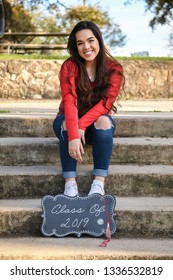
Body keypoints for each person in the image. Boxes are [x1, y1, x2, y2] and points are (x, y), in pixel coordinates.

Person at [53, 20, 124, 197]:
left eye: (90, 40)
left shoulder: (114, 69)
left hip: (94, 127)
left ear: (99, 40)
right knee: (67, 125)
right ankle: (70, 184)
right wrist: (74, 133)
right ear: (75, 47)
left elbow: (106, 104)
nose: (86, 46)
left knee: (104, 121)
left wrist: (82, 125)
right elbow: (69, 101)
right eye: (80, 43)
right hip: (68, 122)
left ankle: (99, 183)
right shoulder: (69, 66)